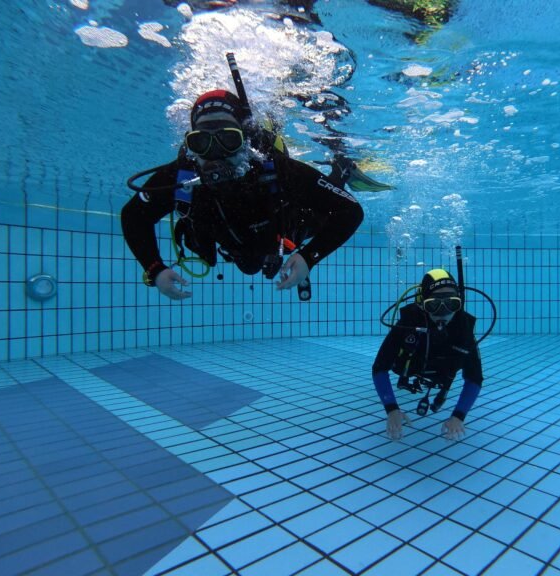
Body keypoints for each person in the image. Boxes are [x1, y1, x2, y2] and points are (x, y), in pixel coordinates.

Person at [122, 87, 371, 300]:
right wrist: (154, 269)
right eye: (202, 142)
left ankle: (341, 169)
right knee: (249, 266)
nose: (216, 154)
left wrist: (308, 257)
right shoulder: (182, 175)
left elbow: (349, 210)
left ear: (245, 140)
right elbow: (134, 216)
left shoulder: (275, 168)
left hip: (289, 227)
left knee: (320, 219)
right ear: (190, 144)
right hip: (235, 242)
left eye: (228, 139)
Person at [372, 269, 483, 441]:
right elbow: (379, 368)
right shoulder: (408, 323)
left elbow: (474, 378)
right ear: (422, 304)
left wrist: (458, 416)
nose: (443, 312)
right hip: (410, 367)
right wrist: (391, 409)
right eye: (433, 304)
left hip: (443, 373)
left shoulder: (463, 329)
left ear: (459, 303)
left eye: (451, 304)